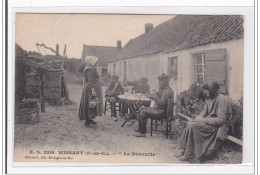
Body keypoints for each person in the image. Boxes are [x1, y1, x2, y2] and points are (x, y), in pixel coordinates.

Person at [176, 81, 231, 163]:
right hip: (209, 122)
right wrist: (197, 119)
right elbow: (204, 113)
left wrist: (203, 120)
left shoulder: (222, 100)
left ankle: (188, 155)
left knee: (193, 126)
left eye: (206, 90)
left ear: (212, 90)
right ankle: (184, 150)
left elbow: (221, 120)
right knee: (189, 123)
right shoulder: (209, 98)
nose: (204, 92)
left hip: (216, 126)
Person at [78, 56, 103, 127]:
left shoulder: (91, 68)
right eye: (95, 62)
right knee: (90, 103)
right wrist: (93, 91)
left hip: (92, 88)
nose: (96, 63)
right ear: (91, 62)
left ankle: (90, 119)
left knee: (93, 104)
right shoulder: (89, 70)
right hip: (90, 89)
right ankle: (87, 120)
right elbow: (90, 81)